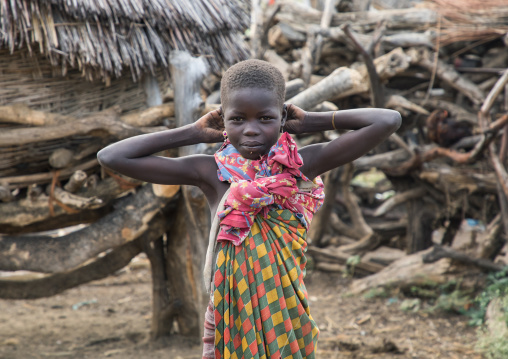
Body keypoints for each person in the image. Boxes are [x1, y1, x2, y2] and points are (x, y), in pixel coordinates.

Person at [97, 59, 401, 359]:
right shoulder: (211, 173)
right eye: (238, 119)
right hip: (233, 312)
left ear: (282, 117)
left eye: (265, 119)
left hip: (284, 309)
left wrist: (310, 120)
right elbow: (112, 156)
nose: (251, 130)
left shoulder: (301, 167)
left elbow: (387, 120)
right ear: (222, 121)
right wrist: (195, 132)